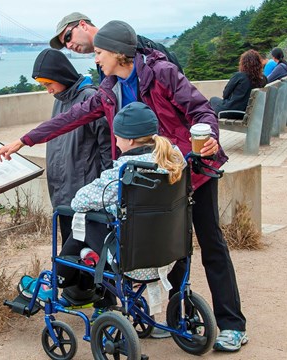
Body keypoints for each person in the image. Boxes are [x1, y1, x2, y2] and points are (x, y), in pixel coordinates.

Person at [0, 20, 248, 352]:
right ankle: (174, 319)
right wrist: (23, 140)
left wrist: (208, 135)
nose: (96, 60)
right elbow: (73, 116)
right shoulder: (109, 88)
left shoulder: (162, 72)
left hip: (187, 169)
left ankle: (232, 325)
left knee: (211, 243)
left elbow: (199, 108)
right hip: (145, 176)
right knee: (168, 248)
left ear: (118, 53)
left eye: (99, 53)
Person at [19, 102, 184, 321]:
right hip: (168, 256)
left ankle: (55, 283)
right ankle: (79, 279)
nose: (115, 141)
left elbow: (79, 201)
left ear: (131, 140)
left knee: (82, 221)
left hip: (132, 264)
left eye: (118, 137)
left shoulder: (124, 173)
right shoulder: (175, 161)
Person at [31, 48, 112, 244]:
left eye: (48, 83)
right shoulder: (60, 100)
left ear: (60, 76)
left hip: (86, 198)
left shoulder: (89, 97)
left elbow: (107, 150)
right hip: (62, 194)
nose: (48, 90)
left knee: (88, 256)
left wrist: (103, 194)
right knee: (70, 258)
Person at [49, 12, 183, 74]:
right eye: (64, 45)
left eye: (67, 37)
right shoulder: (101, 62)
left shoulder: (136, 46)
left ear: (83, 25)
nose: (68, 46)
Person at [210, 49, 268, 118]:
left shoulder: (239, 76)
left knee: (212, 100)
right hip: (246, 112)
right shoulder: (263, 79)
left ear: (243, 63)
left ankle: (207, 125)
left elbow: (225, 94)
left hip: (231, 111)